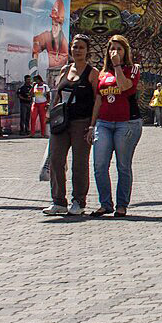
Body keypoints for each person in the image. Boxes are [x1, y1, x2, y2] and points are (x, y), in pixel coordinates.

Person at [91, 34, 143, 218]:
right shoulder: (103, 74)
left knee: (123, 165)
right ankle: (105, 204)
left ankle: (122, 205)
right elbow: (98, 100)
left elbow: (124, 86)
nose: (115, 52)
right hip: (104, 122)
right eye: (112, 49)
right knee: (99, 165)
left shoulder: (133, 69)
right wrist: (91, 125)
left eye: (119, 49)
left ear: (125, 52)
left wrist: (118, 66)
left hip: (126, 123)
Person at [46, 33, 96, 216]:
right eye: (75, 47)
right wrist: (51, 115)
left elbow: (97, 100)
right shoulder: (65, 70)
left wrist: (92, 125)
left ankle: (78, 201)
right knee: (56, 160)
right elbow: (57, 95)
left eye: (81, 47)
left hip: (81, 122)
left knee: (79, 163)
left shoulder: (92, 73)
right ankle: (58, 201)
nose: (77, 50)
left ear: (87, 51)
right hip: (61, 123)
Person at [31, 0, 69, 80]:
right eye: (53, 24)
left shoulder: (64, 42)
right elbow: (35, 45)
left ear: (61, 26)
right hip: (47, 75)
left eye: (56, 25)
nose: (54, 28)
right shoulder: (46, 36)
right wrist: (34, 68)